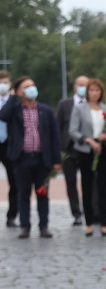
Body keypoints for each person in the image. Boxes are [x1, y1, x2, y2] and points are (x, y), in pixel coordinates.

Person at [0, 76, 62, 238]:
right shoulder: (14, 109)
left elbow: (54, 137)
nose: (31, 89)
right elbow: (3, 116)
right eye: (27, 87)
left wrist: (57, 161)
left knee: (42, 193)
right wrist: (14, 96)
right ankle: (25, 226)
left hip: (42, 159)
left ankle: (44, 226)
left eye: (33, 85)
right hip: (22, 158)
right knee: (23, 194)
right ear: (20, 91)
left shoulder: (46, 110)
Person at [68, 78, 106, 236]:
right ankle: (88, 222)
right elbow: (73, 130)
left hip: (103, 150)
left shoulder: (105, 108)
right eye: (92, 90)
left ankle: (103, 222)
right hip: (86, 150)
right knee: (87, 186)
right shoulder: (79, 108)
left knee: (104, 187)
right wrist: (88, 140)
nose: (94, 93)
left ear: (101, 93)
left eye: (97, 90)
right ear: (87, 92)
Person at [55, 76, 89, 226]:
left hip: (88, 148)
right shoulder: (65, 104)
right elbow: (58, 127)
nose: (83, 88)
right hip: (68, 149)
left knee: (91, 182)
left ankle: (92, 211)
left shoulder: (94, 104)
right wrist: (59, 150)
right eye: (80, 85)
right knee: (70, 182)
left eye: (86, 85)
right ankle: (76, 213)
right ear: (75, 86)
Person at [0, 73, 16, 227]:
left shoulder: (15, 101)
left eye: (5, 82)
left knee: (14, 181)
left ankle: (12, 215)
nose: (2, 85)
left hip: (8, 144)